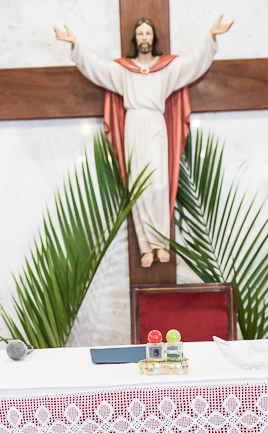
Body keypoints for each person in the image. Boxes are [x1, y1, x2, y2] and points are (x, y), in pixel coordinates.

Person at [54, 15, 233, 266]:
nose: (144, 38)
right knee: (140, 184)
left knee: (159, 182)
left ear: (154, 38)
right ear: (135, 39)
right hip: (134, 126)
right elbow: (96, 66)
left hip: (156, 125)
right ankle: (146, 247)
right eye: (140, 34)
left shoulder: (167, 68)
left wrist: (211, 37)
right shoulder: (123, 70)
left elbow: (193, 63)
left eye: (148, 33)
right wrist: (75, 44)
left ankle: (161, 243)